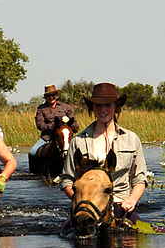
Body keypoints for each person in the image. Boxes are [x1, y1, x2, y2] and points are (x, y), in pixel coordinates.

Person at [58, 82, 147, 223]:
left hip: (121, 207)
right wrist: (82, 202)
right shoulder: (78, 141)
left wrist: (131, 201)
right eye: (98, 105)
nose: (103, 110)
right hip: (86, 210)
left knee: (142, 237)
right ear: (92, 108)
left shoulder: (132, 139)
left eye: (108, 105)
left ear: (116, 107)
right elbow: (67, 180)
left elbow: (140, 179)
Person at [31, 84, 78, 156]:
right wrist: (53, 126)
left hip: (66, 138)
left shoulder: (66, 107)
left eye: (53, 95)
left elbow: (75, 125)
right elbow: (40, 125)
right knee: (32, 152)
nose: (51, 97)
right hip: (47, 138)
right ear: (46, 97)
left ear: (57, 96)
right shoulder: (41, 109)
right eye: (48, 96)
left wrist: (69, 123)